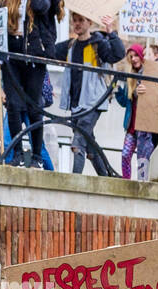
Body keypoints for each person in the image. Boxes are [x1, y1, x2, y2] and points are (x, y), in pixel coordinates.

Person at [54, 10, 124, 175]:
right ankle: (106, 176)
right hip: (76, 102)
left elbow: (118, 54)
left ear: (89, 23)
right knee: (89, 143)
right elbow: (47, 50)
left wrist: (111, 31)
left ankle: (74, 178)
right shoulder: (70, 45)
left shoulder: (99, 44)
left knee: (78, 140)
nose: (77, 24)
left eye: (81, 20)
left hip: (93, 101)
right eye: (75, 20)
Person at [8, 0, 60, 169]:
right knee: (13, 106)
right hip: (12, 52)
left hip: (35, 53)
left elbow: (40, 6)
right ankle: (17, 154)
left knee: (34, 107)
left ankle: (37, 156)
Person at [115, 44, 154, 181]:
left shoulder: (148, 73)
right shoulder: (130, 77)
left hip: (145, 125)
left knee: (143, 158)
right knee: (125, 154)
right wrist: (117, 91)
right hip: (132, 125)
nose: (133, 58)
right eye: (131, 56)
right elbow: (124, 102)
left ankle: (142, 183)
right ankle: (127, 181)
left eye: (136, 55)